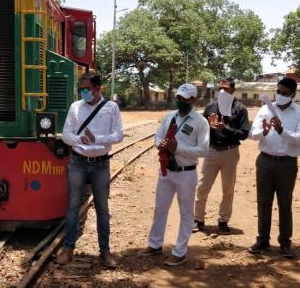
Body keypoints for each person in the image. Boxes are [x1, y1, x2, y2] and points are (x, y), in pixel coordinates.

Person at [56, 73, 124, 268]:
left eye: (85, 88)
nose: (82, 91)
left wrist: (97, 139)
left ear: (98, 88)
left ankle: (105, 251)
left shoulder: (111, 108)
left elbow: (119, 135)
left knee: (103, 208)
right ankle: (68, 248)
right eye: (81, 89)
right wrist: (80, 140)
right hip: (78, 161)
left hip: (101, 164)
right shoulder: (75, 107)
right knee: (73, 206)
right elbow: (67, 135)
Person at [140, 84, 209, 266]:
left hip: (186, 174)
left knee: (186, 214)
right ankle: (155, 245)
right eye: (179, 98)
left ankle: (180, 251)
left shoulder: (200, 122)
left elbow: (203, 150)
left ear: (193, 100)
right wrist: (159, 144)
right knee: (160, 208)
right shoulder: (169, 117)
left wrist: (180, 149)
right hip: (166, 171)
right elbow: (157, 137)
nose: (181, 102)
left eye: (185, 99)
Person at [248, 77, 300, 259]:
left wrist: (281, 130)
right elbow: (253, 134)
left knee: (284, 204)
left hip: (287, 164)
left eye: (284, 93)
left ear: (293, 95)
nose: (280, 95)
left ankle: (285, 243)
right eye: (278, 91)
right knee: (264, 202)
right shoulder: (265, 109)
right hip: (265, 161)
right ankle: (263, 239)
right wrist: (263, 131)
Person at [194, 77, 249, 233]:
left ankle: (223, 221)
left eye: (226, 89)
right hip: (211, 151)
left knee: (228, 189)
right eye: (220, 89)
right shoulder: (211, 106)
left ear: (233, 90)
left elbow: (244, 134)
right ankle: (198, 219)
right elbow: (202, 128)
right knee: (202, 186)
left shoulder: (240, 109)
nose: (223, 91)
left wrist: (224, 128)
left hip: (230, 152)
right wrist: (209, 128)